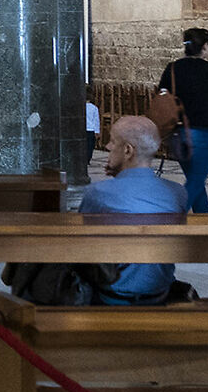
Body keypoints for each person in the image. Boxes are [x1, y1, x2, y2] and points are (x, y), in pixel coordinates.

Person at [74, 115, 187, 304]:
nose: (108, 146)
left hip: (111, 298)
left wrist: (118, 179)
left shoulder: (98, 193)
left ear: (127, 150)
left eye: (113, 141)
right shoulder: (178, 194)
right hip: (160, 295)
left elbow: (82, 246)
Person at [156, 28, 208, 214]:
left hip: (178, 133)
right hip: (203, 134)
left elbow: (161, 93)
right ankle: (173, 215)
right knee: (196, 180)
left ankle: (204, 219)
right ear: (206, 46)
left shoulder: (173, 68)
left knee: (194, 179)